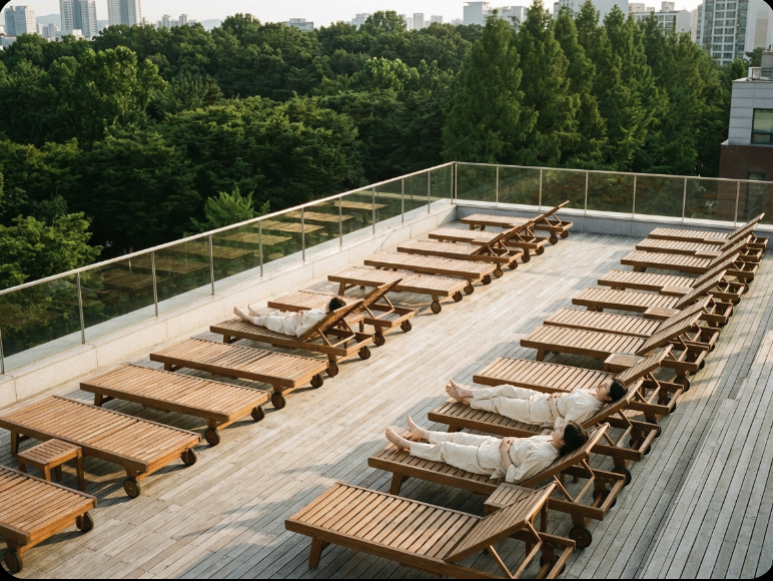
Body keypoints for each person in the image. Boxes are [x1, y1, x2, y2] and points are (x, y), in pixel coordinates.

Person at [386, 416, 589, 484]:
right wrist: (512, 440)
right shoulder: (550, 440)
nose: (557, 427)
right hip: (496, 445)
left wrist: (505, 452)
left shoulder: (543, 456)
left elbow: (516, 477)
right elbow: (526, 443)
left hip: (488, 460)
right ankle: (422, 433)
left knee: (446, 449)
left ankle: (407, 445)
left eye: (561, 429)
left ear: (564, 442)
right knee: (461, 437)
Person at [445, 377, 628, 429]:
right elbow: (571, 397)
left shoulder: (587, 407)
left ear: (608, 398)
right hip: (542, 398)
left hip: (538, 412)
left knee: (499, 402)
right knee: (507, 389)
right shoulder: (593, 393)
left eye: (604, 386)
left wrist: (553, 407)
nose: (600, 384)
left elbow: (565, 426)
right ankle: (467, 393)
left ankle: (466, 400)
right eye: (604, 382)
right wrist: (560, 395)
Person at [234, 297, 346, 338]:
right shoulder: (324, 315)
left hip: (289, 326)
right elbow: (310, 315)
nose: (327, 302)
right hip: (292, 319)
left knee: (267, 320)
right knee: (276, 314)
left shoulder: (318, 320)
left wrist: (298, 317)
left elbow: (299, 332)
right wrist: (303, 313)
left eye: (329, 302)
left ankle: (245, 317)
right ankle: (255, 314)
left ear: (330, 307)